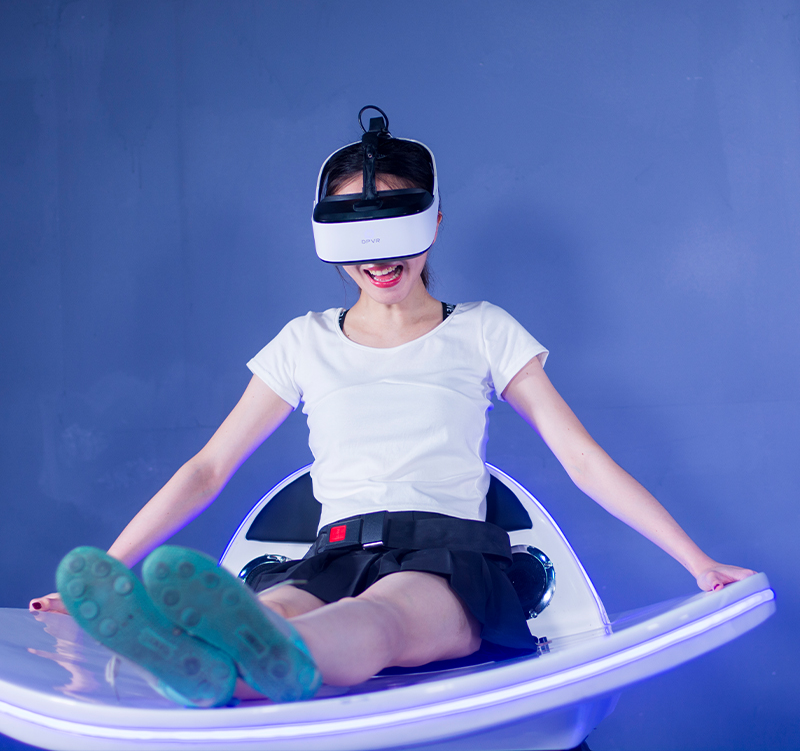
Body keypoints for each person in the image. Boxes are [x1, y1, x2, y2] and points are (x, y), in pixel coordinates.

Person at [30, 108, 755, 708]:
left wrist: (697, 563)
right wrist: (113, 567)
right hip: (333, 552)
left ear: (433, 223)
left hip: (446, 561)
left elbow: (583, 459)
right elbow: (207, 468)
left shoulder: (483, 330)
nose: (378, 259)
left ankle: (216, 660)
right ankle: (206, 654)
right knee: (272, 610)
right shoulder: (303, 341)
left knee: (375, 619)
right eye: (357, 232)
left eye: (395, 228)